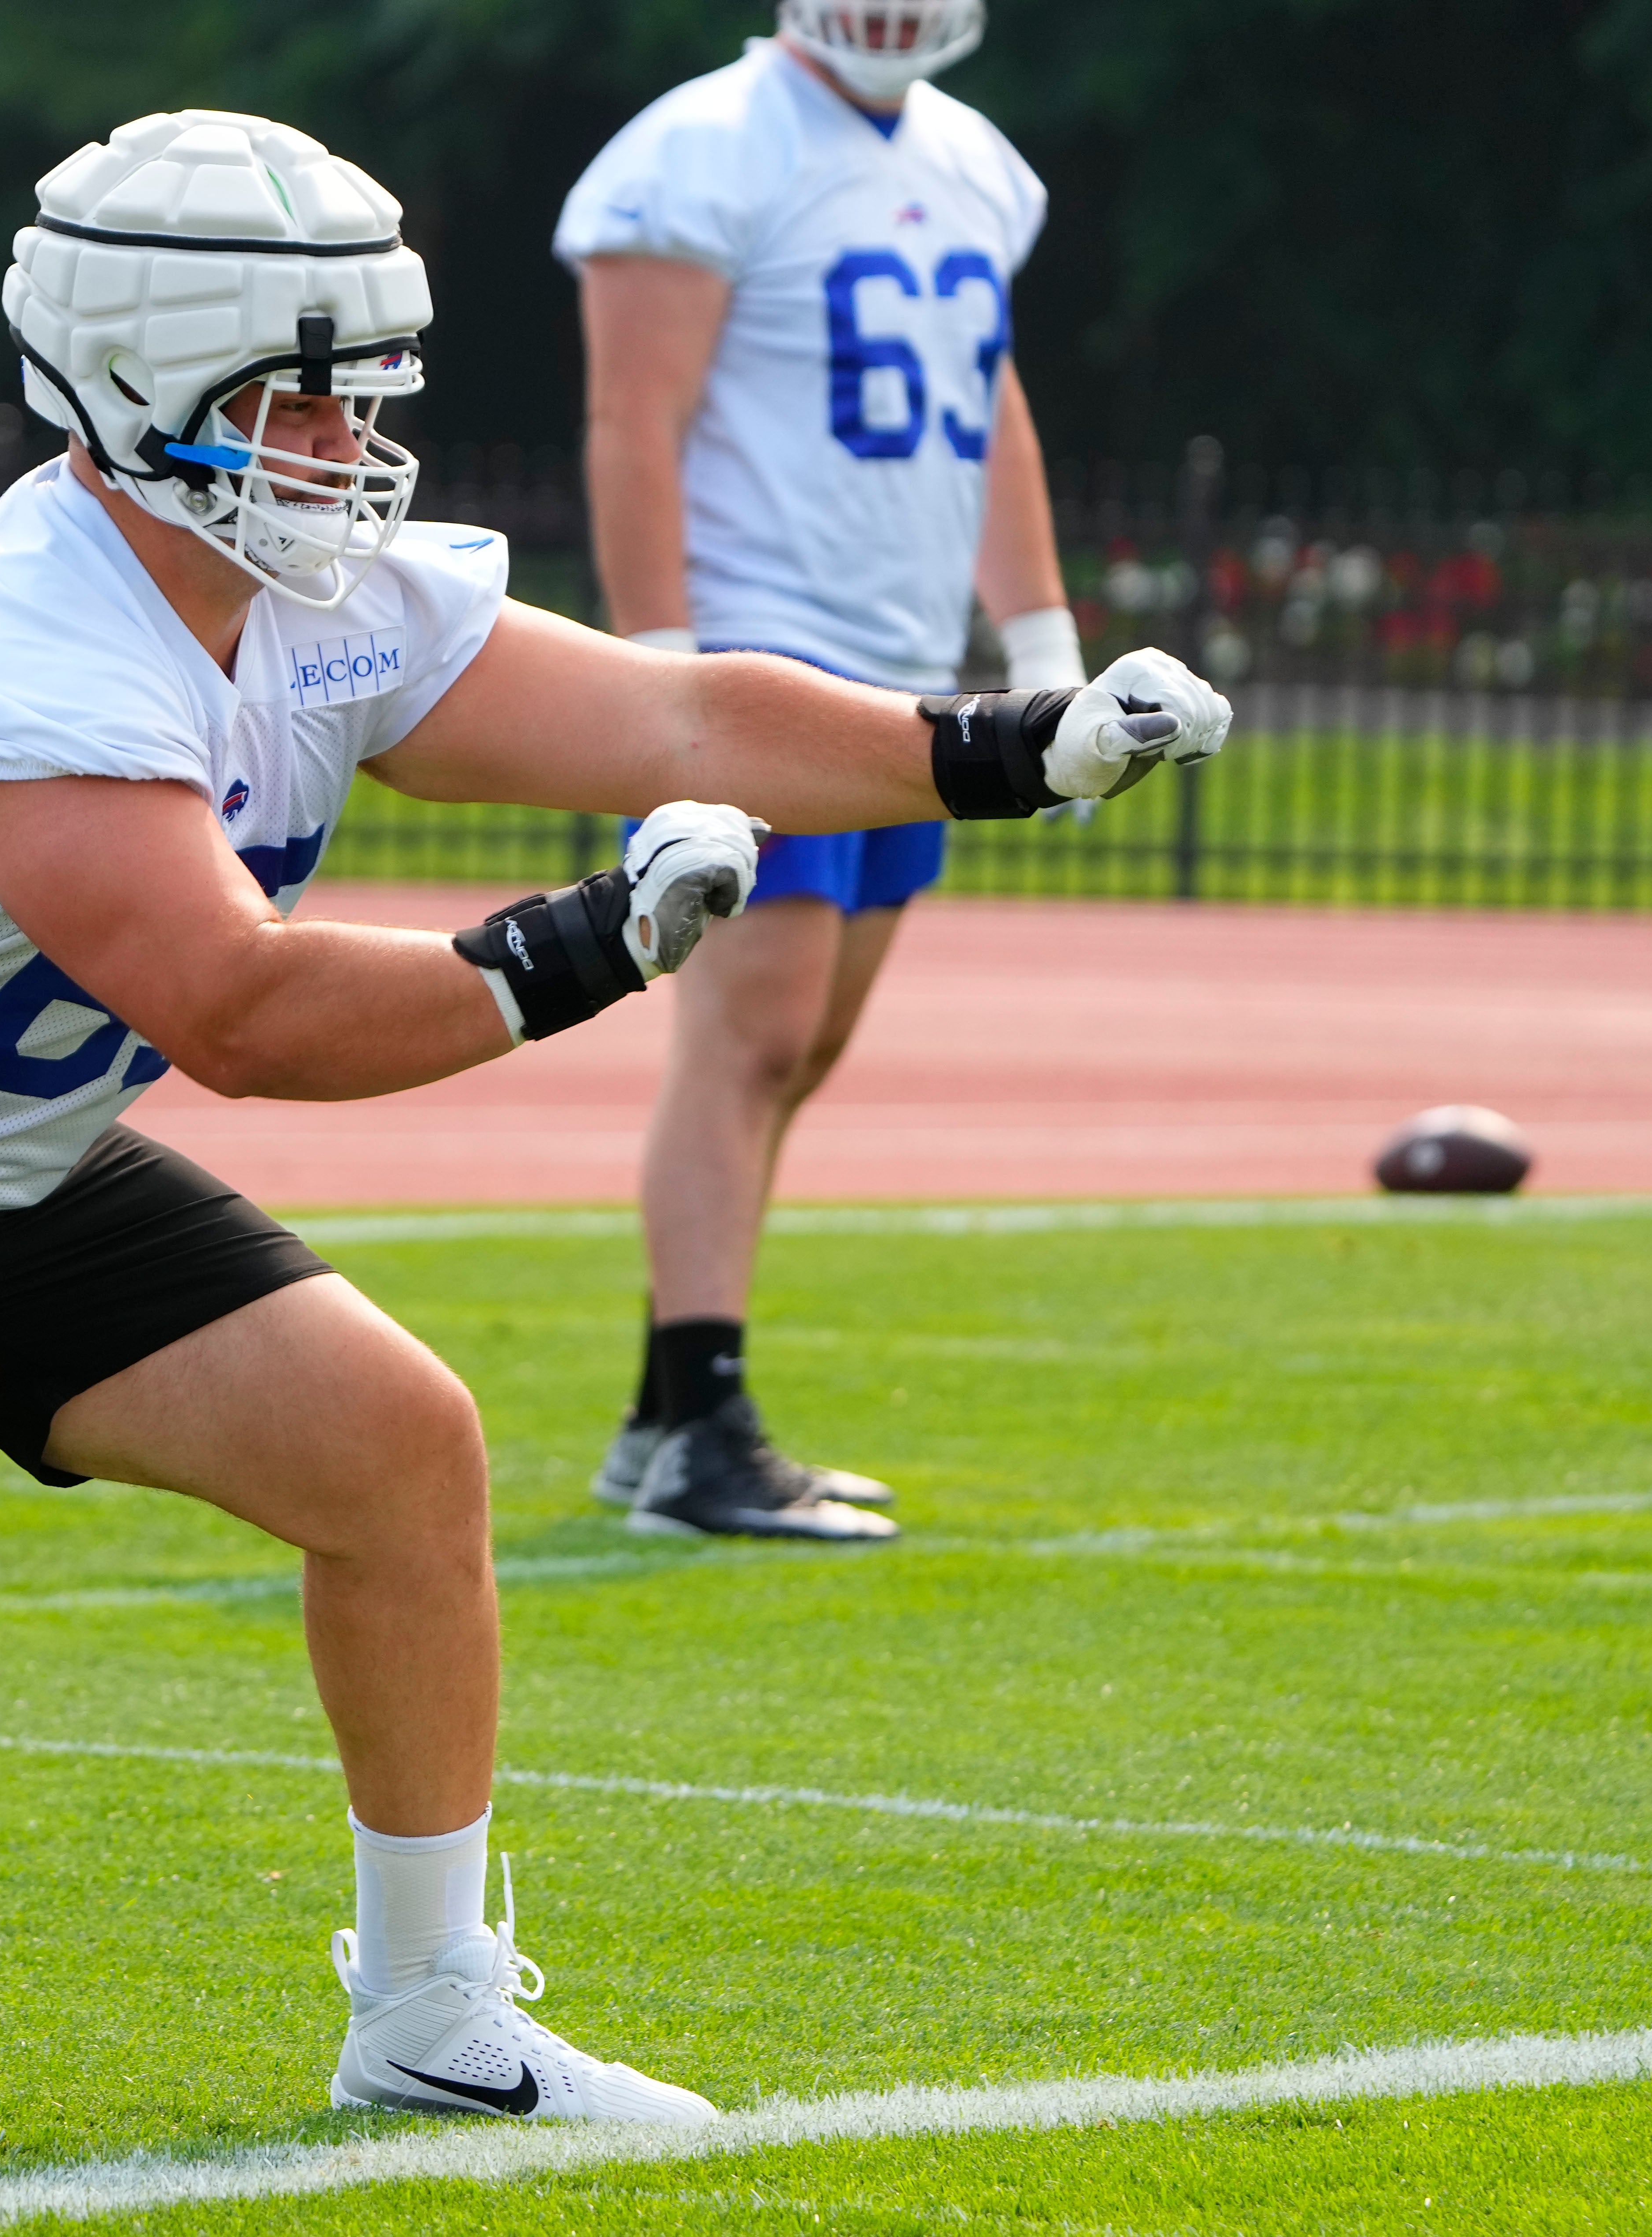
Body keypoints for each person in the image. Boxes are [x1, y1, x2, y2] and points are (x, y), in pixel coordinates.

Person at [0, 108, 1226, 2170]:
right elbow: (240, 1009)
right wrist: (565, 956)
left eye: (356, 395)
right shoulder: (25, 639)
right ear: (140, 382)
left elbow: (674, 716)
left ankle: (434, 2014)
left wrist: (1003, 752)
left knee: (400, 1446)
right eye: (293, 402)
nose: (340, 443)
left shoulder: (312, 591)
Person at [555, 0, 1091, 1539]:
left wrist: (1037, 637)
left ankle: (665, 1417)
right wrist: (660, 674)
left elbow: (987, 406)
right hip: (755, 657)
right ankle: (704, 1419)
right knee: (753, 1035)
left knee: (804, 1042)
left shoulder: (976, 159)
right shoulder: (699, 149)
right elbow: (628, 421)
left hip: (905, 667)